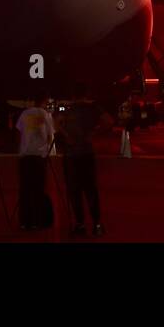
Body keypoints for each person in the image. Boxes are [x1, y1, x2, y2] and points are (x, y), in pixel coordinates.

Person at [56, 85, 106, 237]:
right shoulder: (93, 108)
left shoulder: (68, 109)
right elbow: (109, 121)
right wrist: (94, 132)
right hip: (86, 153)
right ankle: (97, 224)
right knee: (91, 190)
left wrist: (66, 136)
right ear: (86, 94)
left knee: (74, 191)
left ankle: (80, 224)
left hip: (72, 154)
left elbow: (56, 123)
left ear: (73, 95)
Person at [15, 97, 54, 231]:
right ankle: (38, 220)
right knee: (38, 189)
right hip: (39, 157)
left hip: (25, 156)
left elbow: (19, 132)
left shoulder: (25, 113)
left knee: (25, 190)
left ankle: (25, 221)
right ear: (44, 102)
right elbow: (50, 135)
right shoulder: (45, 115)